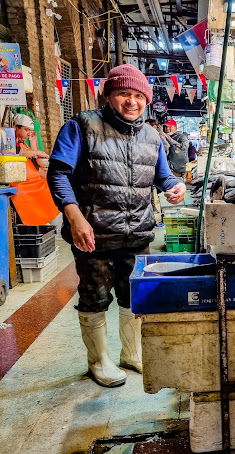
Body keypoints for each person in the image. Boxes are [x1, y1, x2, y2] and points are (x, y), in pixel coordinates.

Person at [47, 64, 186, 388]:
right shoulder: (81, 126)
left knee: (132, 295)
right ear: (109, 94)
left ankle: (131, 353)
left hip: (137, 233)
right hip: (94, 235)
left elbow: (162, 175)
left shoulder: (152, 136)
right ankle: (99, 361)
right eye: (124, 93)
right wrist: (74, 215)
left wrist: (173, 185)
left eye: (138, 95)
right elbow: (58, 174)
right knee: (95, 297)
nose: (131, 101)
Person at [9, 113, 59, 225]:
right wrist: (36, 152)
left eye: (30, 131)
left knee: (49, 187)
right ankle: (37, 221)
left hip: (32, 179)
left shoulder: (22, 143)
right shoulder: (9, 140)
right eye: (26, 130)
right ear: (16, 127)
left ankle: (42, 221)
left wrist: (33, 142)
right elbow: (16, 152)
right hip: (21, 181)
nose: (28, 133)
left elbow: (35, 157)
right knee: (43, 191)